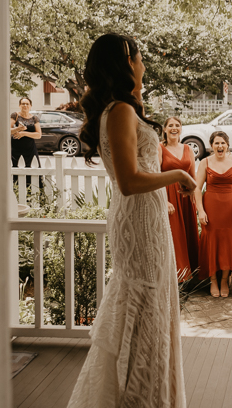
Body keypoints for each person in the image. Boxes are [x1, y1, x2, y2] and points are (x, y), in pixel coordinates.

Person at [67, 34, 196, 408]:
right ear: (126, 63)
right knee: (144, 311)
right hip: (138, 223)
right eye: (139, 57)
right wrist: (178, 177)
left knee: (151, 311)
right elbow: (128, 181)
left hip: (148, 219)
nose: (144, 63)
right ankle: (138, 397)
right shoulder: (120, 111)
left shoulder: (124, 107)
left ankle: (153, 394)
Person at [195, 131, 232, 298]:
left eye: (223, 143)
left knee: (229, 240)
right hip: (211, 205)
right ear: (211, 146)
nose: (220, 146)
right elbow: (197, 188)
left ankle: (225, 279)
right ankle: (213, 279)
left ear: (227, 145)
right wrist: (201, 210)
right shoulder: (205, 162)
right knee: (211, 239)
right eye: (216, 143)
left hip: (231, 206)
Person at [161, 116, 199, 282]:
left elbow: (193, 176)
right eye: (170, 125)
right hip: (169, 195)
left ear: (181, 128)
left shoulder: (188, 149)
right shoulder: (159, 148)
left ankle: (193, 273)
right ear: (165, 129)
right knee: (175, 235)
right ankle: (179, 277)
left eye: (177, 125)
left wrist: (196, 198)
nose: (174, 128)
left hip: (186, 197)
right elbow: (157, 175)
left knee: (188, 234)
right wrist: (165, 200)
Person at [10, 97, 42, 189]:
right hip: (16, 149)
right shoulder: (15, 115)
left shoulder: (34, 118)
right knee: (16, 172)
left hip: (30, 150)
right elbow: (7, 130)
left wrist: (23, 133)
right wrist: (18, 129)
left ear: (30, 106)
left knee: (33, 171)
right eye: (23, 104)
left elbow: (38, 135)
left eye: (27, 104)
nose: (25, 105)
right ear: (19, 106)